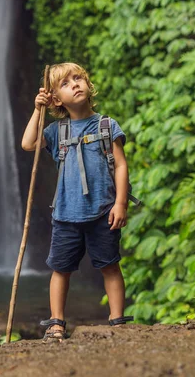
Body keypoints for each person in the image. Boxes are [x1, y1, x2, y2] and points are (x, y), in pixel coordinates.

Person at [21, 62, 133, 341]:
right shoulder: (57, 130)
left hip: (103, 211)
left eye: (78, 78)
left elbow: (120, 165)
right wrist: (38, 110)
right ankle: (56, 323)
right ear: (56, 99)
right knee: (61, 269)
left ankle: (118, 321)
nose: (75, 84)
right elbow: (28, 144)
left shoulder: (107, 125)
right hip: (65, 214)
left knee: (110, 265)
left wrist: (121, 203)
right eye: (66, 83)